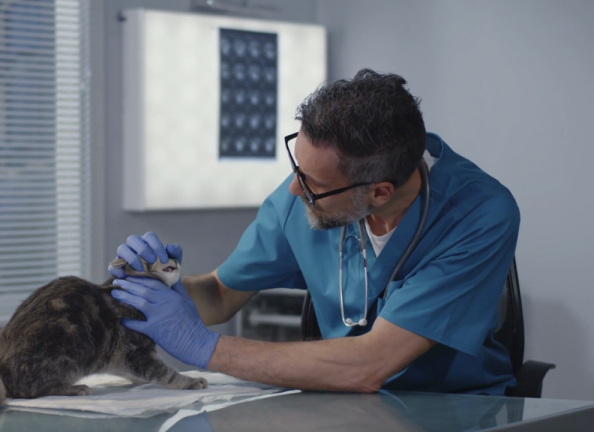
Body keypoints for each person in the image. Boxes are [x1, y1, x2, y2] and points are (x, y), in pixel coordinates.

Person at [110, 69, 519, 396]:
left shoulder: (478, 214)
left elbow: (370, 365)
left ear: (379, 192)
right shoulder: (303, 197)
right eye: (297, 168)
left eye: (313, 183)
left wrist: (205, 347)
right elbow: (220, 294)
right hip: (334, 404)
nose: (293, 189)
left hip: (454, 409)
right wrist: (160, 286)